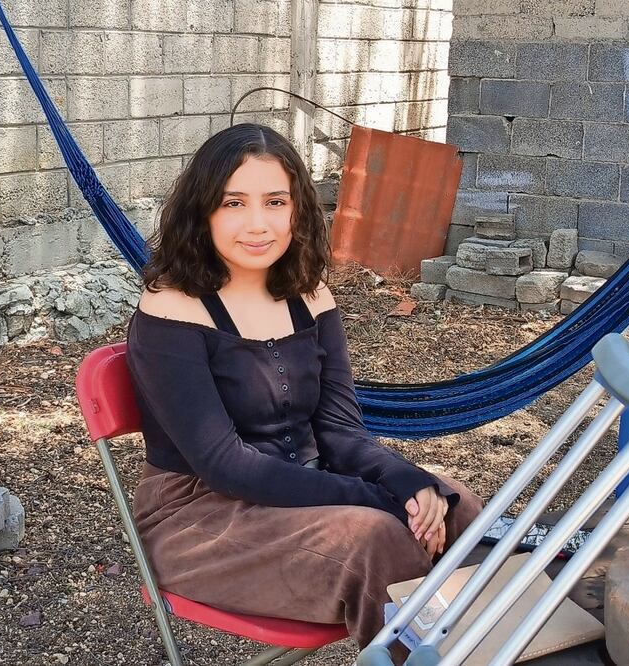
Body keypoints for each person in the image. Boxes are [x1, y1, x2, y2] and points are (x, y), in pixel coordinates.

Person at [126, 123, 484, 655]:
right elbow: (225, 464)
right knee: (379, 539)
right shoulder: (170, 310)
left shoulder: (308, 296)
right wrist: (378, 500)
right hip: (201, 518)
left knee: (457, 507)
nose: (258, 224)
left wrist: (405, 481)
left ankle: (500, 649)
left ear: (297, 210)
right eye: (233, 203)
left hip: (305, 490)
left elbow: (338, 429)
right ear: (203, 211)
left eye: (275, 201)